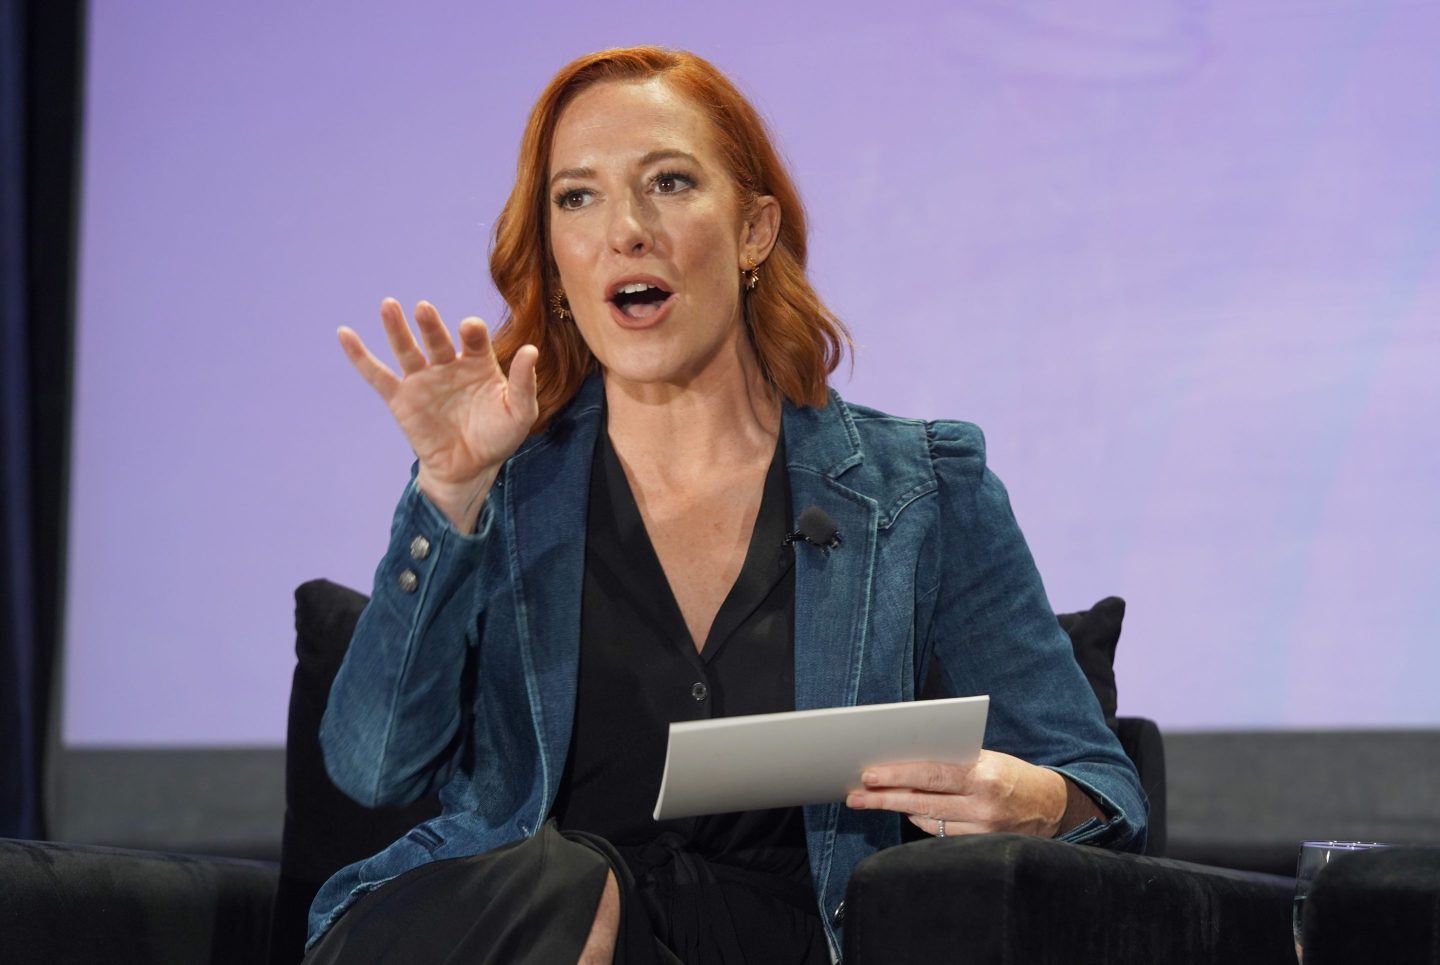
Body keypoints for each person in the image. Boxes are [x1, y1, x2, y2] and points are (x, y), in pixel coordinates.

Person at [305, 46, 1146, 965]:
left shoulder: (920, 489)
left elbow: (1103, 790)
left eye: (668, 182)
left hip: (793, 938)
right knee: (567, 886)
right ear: (553, 253)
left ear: (753, 230)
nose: (625, 230)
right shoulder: (500, 485)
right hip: (534, 930)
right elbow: (374, 764)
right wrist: (450, 492)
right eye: (577, 197)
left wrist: (1033, 800)